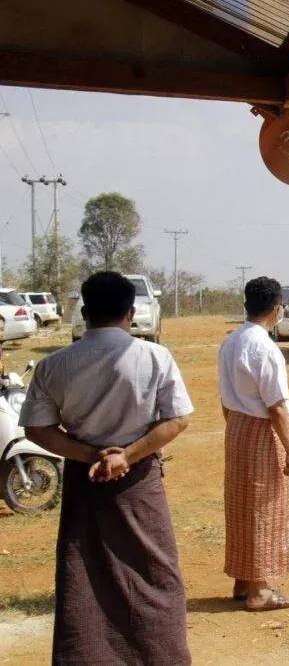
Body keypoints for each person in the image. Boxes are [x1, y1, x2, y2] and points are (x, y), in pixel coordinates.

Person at [19, 271, 194, 665]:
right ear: (131, 313)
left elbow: (38, 429)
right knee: (154, 577)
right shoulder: (154, 356)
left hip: (86, 481)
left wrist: (91, 457)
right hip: (139, 481)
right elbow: (178, 419)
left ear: (84, 312)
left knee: (85, 576)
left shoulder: (54, 366)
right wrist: (126, 457)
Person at [218, 277, 289, 611]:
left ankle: (243, 580)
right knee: (268, 509)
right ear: (277, 308)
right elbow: (277, 406)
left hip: (237, 428)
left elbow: (226, 398)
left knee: (242, 505)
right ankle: (261, 591)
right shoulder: (265, 347)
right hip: (263, 432)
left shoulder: (231, 341)